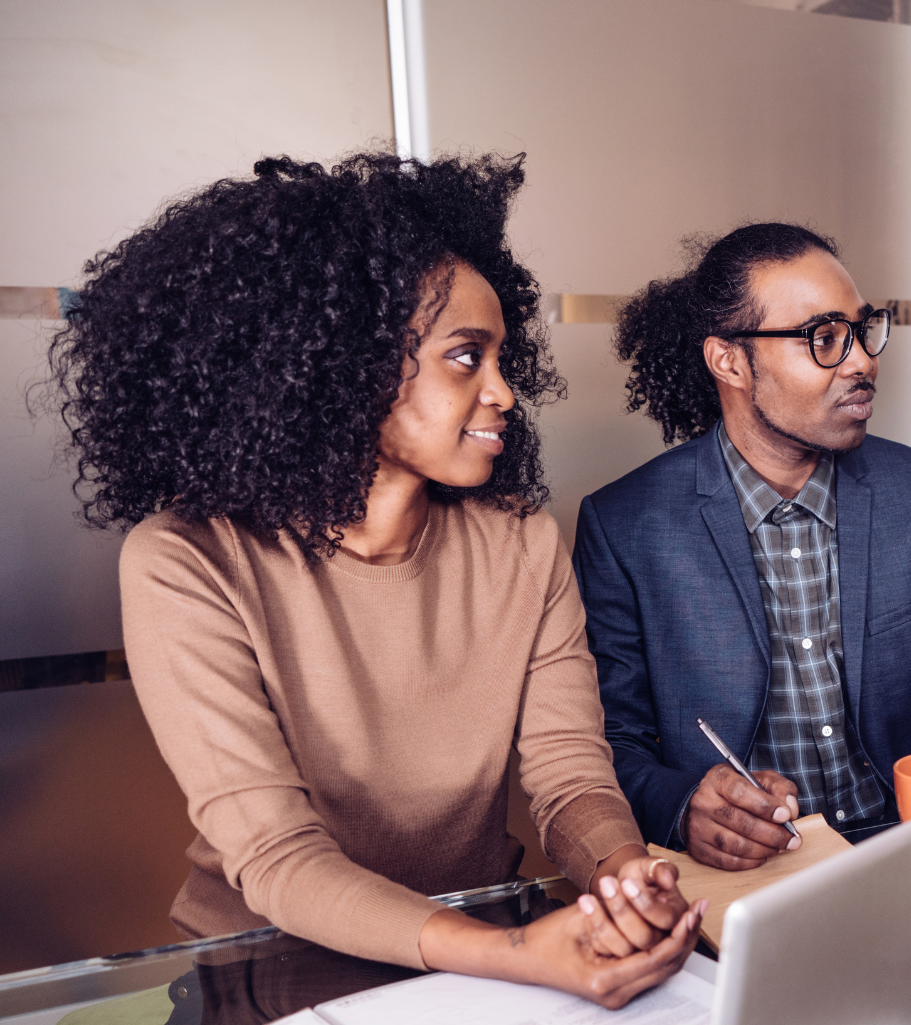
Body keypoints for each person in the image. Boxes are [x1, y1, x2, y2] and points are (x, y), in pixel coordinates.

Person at [53, 153, 702, 1010]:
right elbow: (278, 856)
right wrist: (510, 951)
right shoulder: (188, 560)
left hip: (480, 953)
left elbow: (571, 776)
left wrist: (625, 878)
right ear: (340, 364)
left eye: (503, 357)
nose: (506, 392)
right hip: (269, 977)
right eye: (466, 356)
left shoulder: (522, 544)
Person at [573, 223, 911, 870]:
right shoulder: (625, 524)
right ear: (730, 361)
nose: (862, 361)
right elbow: (611, 743)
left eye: (863, 329)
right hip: (750, 882)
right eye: (824, 339)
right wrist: (684, 803)